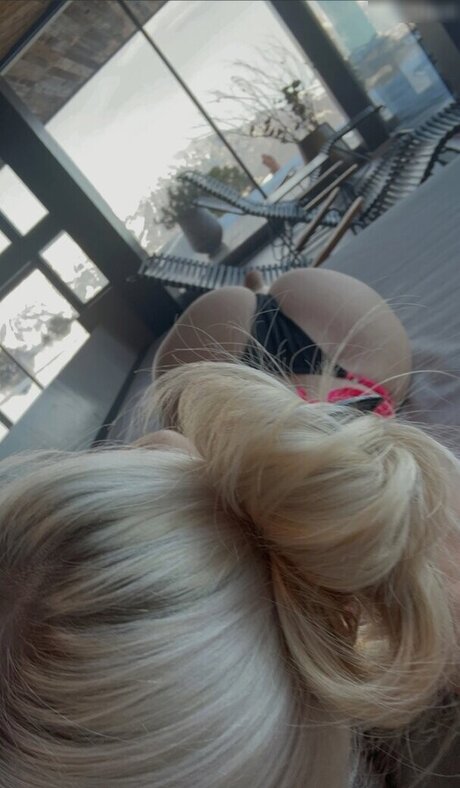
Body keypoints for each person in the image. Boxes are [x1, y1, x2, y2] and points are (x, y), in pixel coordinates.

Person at [0, 269, 458, 788]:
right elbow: (165, 449)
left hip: (298, 376)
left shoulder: (423, 602)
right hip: (287, 370)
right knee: (215, 345)